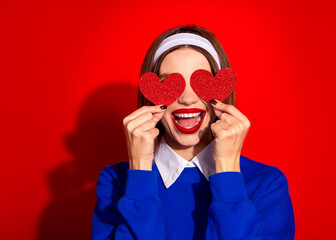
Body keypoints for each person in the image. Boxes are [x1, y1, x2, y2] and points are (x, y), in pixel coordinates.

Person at [91, 25, 295, 240]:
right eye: (168, 83)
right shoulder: (116, 182)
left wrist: (227, 171)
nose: (187, 99)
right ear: (151, 97)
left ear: (222, 92)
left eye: (201, 82)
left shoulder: (266, 183)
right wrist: (140, 169)